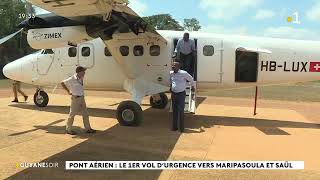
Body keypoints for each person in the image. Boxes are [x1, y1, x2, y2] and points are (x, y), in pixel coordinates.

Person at [61, 66, 96, 135]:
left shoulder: (81, 78)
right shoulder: (72, 79)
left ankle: (88, 128)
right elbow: (62, 83)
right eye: (83, 71)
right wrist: (68, 91)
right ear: (79, 72)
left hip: (82, 98)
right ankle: (68, 129)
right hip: (76, 98)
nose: (84, 73)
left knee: (85, 114)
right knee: (72, 114)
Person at [170, 62, 195, 133]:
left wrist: (193, 86)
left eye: (174, 65)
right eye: (172, 65)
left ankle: (181, 128)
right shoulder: (171, 73)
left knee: (181, 111)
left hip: (181, 94)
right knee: (174, 111)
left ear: (178, 67)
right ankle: (174, 127)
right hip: (174, 94)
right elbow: (170, 81)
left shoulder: (183, 73)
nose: (173, 66)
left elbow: (191, 79)